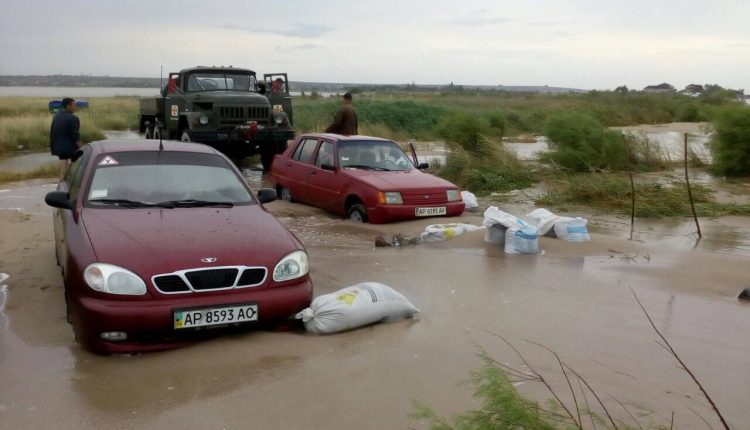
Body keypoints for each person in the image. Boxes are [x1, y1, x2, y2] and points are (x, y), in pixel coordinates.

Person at [49, 98, 82, 181]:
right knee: (79, 163)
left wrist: (53, 147)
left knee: (63, 168)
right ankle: (75, 181)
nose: (75, 107)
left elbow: (52, 132)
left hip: (58, 148)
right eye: (74, 105)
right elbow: (75, 136)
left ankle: (62, 182)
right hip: (70, 149)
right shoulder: (73, 118)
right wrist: (82, 148)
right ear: (68, 106)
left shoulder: (56, 116)